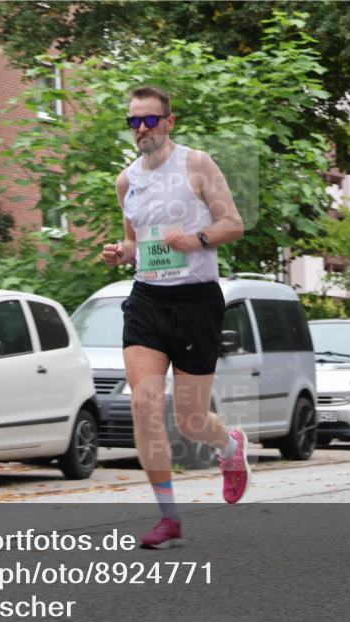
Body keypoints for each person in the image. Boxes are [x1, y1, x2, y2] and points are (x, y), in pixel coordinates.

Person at [102, 85, 249, 549]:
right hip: (147, 299)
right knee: (145, 406)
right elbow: (135, 243)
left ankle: (229, 446)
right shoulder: (127, 181)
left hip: (196, 301)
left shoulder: (197, 164)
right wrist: (120, 252)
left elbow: (234, 224)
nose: (141, 129)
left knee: (189, 420)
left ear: (169, 122)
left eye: (150, 119)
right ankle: (169, 517)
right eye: (134, 121)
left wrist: (198, 239)